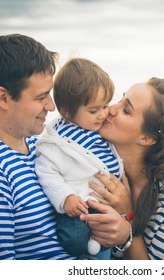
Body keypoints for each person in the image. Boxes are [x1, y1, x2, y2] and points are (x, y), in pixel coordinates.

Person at [0, 34, 131, 260]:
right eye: (41, 96)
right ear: (3, 98)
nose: (51, 106)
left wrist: (123, 231)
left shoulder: (40, 146)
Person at [81, 77, 164, 260]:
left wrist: (127, 217)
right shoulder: (103, 168)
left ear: (146, 138)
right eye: (120, 99)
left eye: (126, 110)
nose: (111, 109)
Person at [35, 57, 123, 259]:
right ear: (67, 112)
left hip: (104, 204)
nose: (102, 114)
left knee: (106, 242)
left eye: (105, 105)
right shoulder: (57, 142)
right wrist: (66, 197)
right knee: (74, 238)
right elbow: (46, 173)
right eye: (93, 110)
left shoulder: (100, 130)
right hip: (78, 204)